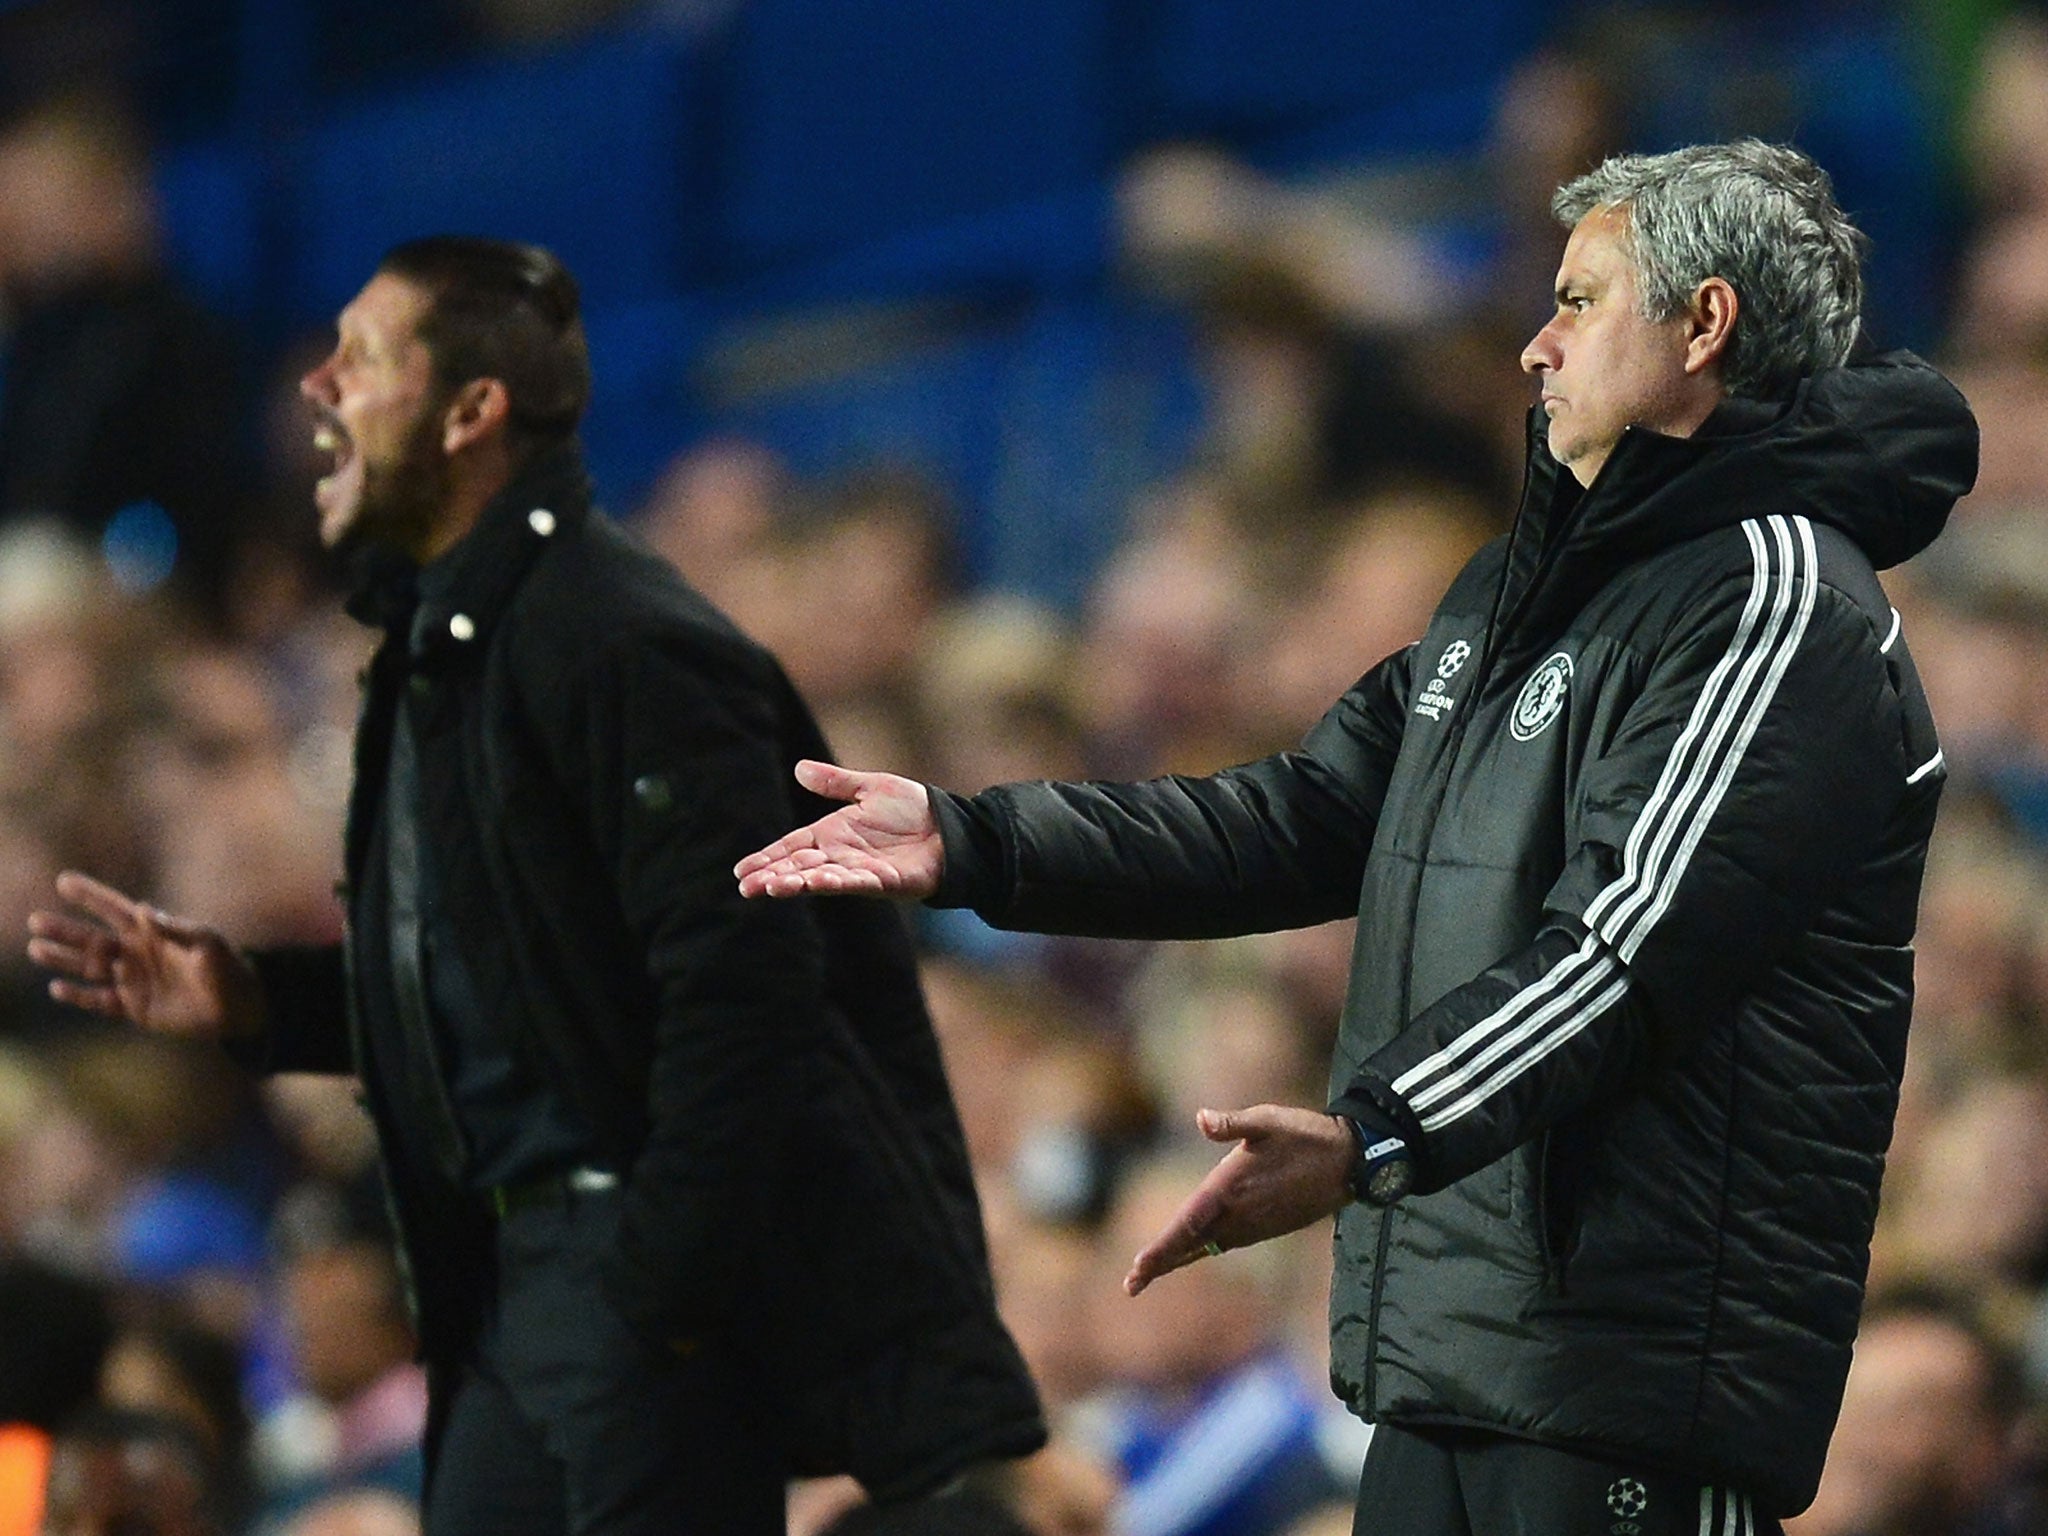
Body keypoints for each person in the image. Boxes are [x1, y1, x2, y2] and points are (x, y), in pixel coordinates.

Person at [736, 141, 1980, 1531]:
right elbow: (1298, 817)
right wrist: (975, 841)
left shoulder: (1778, 590)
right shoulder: (1517, 590)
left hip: (1629, 1388)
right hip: (1447, 1366)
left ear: (1705, 325)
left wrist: (1374, 1135)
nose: (1532, 345)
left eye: (1578, 300)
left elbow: (1626, 947)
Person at [27, 236, 1042, 1536]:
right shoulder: (451, 661)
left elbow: (749, 1005)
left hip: (630, 1295)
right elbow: (513, 996)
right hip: (527, 1286)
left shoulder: (628, 648)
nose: (319, 391)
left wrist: (654, 1291)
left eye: (367, 361)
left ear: (473, 413)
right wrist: (253, 1001)